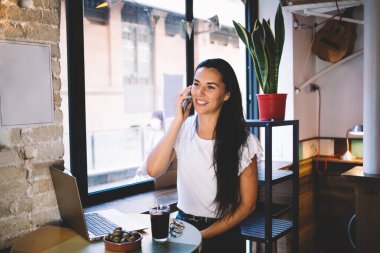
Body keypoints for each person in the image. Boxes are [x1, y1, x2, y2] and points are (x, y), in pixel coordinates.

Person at [146, 58, 262, 253]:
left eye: (210, 87)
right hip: (182, 227)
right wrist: (177, 121)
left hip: (224, 234)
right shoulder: (182, 129)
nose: (199, 93)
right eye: (197, 84)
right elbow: (153, 169)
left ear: (226, 95)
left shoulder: (244, 142)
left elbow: (248, 205)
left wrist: (203, 236)